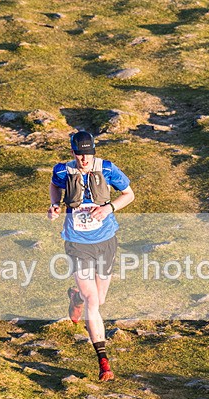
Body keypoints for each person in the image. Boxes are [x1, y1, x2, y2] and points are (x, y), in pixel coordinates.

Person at [47, 131, 135, 381]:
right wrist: (54, 206)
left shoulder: (107, 169)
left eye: (88, 153)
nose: (84, 158)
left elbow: (129, 194)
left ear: (93, 151)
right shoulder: (63, 172)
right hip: (77, 243)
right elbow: (55, 186)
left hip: (105, 241)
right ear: (72, 152)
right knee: (93, 301)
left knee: (100, 298)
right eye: (79, 153)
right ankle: (104, 362)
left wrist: (109, 208)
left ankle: (75, 298)